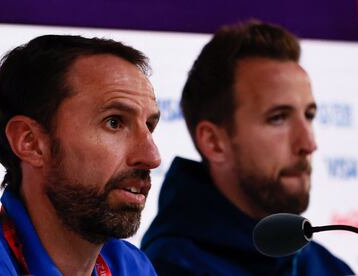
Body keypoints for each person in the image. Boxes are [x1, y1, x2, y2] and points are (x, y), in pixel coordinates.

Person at [141, 20, 354, 275]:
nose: (308, 144)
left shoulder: (328, 268)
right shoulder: (168, 267)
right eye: (278, 118)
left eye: (308, 115)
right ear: (214, 142)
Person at [0, 35, 161, 275]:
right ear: (31, 142)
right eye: (114, 122)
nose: (152, 157)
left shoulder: (131, 266)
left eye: (149, 126)